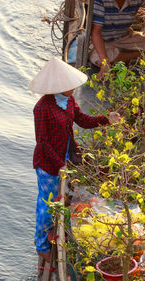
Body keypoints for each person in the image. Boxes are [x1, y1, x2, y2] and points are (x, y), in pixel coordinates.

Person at [29, 58, 116, 265]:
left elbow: (82, 120)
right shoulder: (42, 108)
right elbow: (42, 143)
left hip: (65, 155)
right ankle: (41, 245)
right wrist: (59, 165)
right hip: (48, 163)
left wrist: (106, 119)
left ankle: (55, 231)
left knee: (61, 198)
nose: (74, 88)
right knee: (46, 203)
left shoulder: (68, 101)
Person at [89, 0, 145, 73]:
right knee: (98, 57)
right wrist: (105, 63)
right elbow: (96, 32)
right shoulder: (100, 1)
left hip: (125, 38)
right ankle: (140, 55)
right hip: (102, 41)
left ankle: (128, 58)